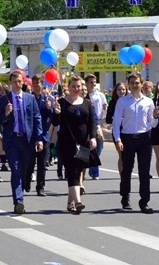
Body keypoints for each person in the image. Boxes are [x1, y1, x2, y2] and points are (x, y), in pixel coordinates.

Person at [0, 70, 43, 215]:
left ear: (23, 82)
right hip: (12, 140)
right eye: (15, 81)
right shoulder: (4, 100)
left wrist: (39, 138)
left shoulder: (30, 98)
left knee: (24, 170)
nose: (18, 84)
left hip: (27, 140)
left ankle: (21, 190)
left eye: (20, 81)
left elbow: (37, 118)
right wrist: (6, 114)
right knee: (16, 170)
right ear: (11, 83)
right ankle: (18, 201)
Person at [50, 75, 96, 214]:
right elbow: (56, 122)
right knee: (72, 172)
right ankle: (78, 202)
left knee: (78, 172)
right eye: (73, 86)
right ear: (68, 87)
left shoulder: (87, 103)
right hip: (66, 144)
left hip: (83, 144)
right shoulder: (62, 102)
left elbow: (92, 123)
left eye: (78, 86)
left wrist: (93, 137)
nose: (76, 89)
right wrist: (56, 112)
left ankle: (70, 202)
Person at [112, 73, 155, 214]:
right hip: (127, 138)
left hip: (144, 139)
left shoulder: (148, 102)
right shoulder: (123, 101)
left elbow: (152, 123)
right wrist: (118, 139)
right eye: (132, 83)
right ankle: (125, 197)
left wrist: (156, 117)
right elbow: (117, 122)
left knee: (144, 171)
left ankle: (144, 202)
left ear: (141, 84)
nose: (135, 85)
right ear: (128, 84)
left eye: (137, 82)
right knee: (127, 170)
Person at [27, 74, 53, 196]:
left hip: (43, 135)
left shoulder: (45, 99)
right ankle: (27, 182)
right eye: (35, 83)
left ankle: (40, 187)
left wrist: (50, 108)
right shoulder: (28, 98)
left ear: (42, 85)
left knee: (42, 164)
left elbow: (52, 118)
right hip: (31, 136)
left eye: (39, 83)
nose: (37, 85)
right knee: (30, 162)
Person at [85, 74, 107, 180]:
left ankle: (92, 163)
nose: (93, 84)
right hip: (86, 122)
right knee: (90, 146)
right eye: (91, 82)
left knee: (99, 145)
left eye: (94, 82)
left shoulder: (100, 95)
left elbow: (104, 109)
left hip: (97, 121)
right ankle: (94, 171)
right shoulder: (83, 95)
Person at [106, 82, 126, 175]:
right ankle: (123, 176)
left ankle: (127, 173)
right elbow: (108, 119)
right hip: (118, 131)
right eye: (119, 90)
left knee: (128, 155)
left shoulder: (129, 101)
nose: (121, 91)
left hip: (128, 130)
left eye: (123, 89)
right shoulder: (113, 102)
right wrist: (116, 118)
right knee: (122, 155)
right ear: (116, 91)